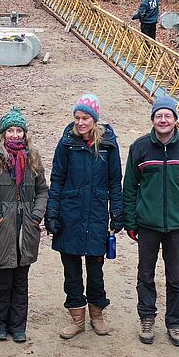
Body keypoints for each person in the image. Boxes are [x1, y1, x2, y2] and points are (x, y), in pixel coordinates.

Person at [122, 96, 179, 347]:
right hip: (147, 224)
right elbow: (129, 187)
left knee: (175, 277)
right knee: (145, 274)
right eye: (158, 116)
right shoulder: (139, 148)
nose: (163, 120)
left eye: (168, 115)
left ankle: (174, 322)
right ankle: (147, 317)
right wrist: (130, 220)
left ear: (175, 119)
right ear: (152, 119)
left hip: (177, 226)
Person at [46, 93, 124, 340]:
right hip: (70, 212)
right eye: (77, 117)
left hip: (97, 213)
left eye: (86, 117)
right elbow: (57, 178)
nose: (81, 122)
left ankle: (97, 314)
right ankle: (77, 317)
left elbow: (115, 181)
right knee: (71, 268)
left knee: (96, 267)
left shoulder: (109, 145)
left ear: (95, 119)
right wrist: (52, 211)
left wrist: (117, 211)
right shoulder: (66, 143)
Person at [0, 107, 49, 343]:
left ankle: (18, 325)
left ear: (24, 133)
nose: (15, 135)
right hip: (1, 228)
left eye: (19, 130)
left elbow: (43, 189)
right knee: (3, 282)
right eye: (10, 130)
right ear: (3, 133)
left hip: (26, 228)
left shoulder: (33, 157)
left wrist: (36, 216)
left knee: (21, 282)